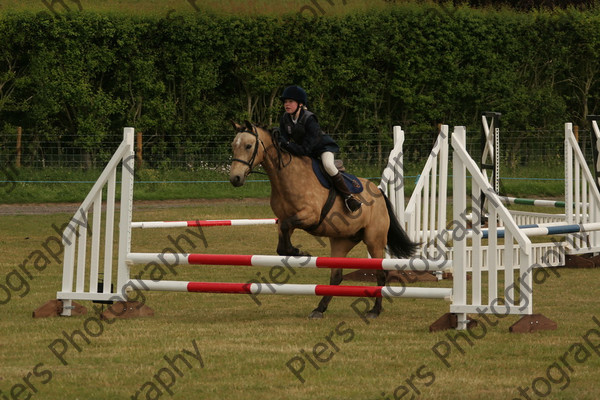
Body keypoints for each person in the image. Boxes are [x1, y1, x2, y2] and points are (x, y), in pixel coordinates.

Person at [278, 85, 362, 213]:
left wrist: (287, 145)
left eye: (290, 101)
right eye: (285, 102)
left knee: (328, 165)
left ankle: (348, 197)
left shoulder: (309, 119)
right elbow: (283, 139)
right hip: (304, 149)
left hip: (321, 148)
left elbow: (303, 148)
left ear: (300, 104)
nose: (286, 104)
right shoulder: (285, 118)